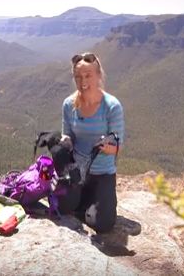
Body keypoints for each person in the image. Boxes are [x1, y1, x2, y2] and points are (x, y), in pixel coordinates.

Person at [58, 52, 125, 233]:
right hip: (78, 171)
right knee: (62, 208)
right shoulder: (68, 104)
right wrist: (63, 143)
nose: (83, 81)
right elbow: (68, 136)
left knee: (103, 225)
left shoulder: (111, 106)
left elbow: (118, 147)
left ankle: (94, 201)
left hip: (103, 173)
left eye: (88, 75)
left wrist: (107, 147)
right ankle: (84, 199)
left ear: (98, 76)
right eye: (78, 76)